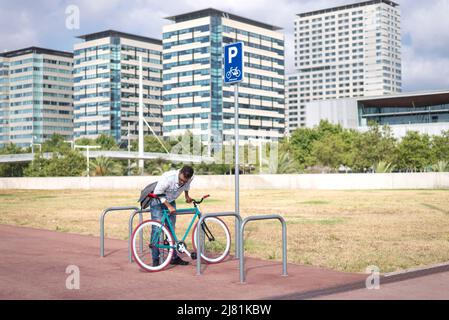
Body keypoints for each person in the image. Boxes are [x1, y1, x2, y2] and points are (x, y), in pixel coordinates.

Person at [150, 165, 194, 267]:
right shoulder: (167, 178)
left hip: (170, 200)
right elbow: (157, 193)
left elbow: (187, 185)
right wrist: (169, 206)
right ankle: (155, 260)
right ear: (179, 173)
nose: (182, 182)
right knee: (157, 229)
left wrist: (186, 195)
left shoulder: (190, 177)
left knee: (171, 230)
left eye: (185, 181)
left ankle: (173, 257)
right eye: (181, 179)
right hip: (157, 201)